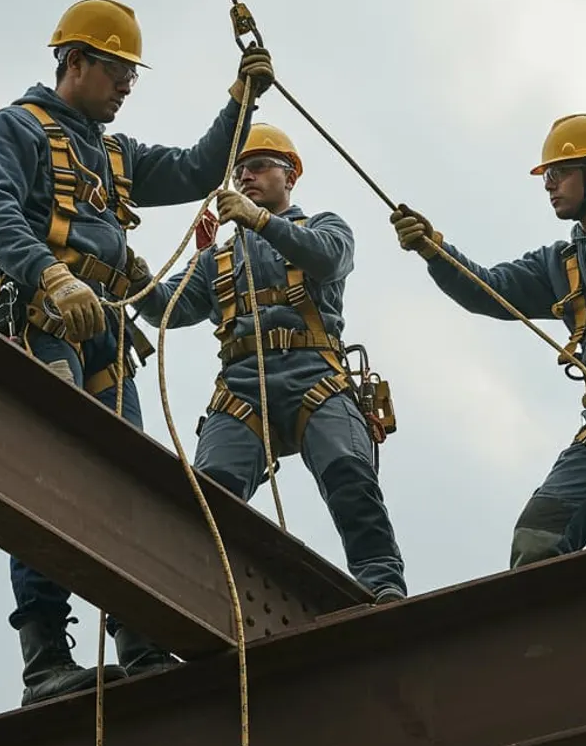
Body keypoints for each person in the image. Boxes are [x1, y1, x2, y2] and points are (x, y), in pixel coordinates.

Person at [0, 0, 273, 704]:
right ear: (76, 62)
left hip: (103, 329)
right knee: (54, 468)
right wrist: (47, 271)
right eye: (117, 71)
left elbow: (199, 169)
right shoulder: (14, 129)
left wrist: (241, 98)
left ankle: (137, 637)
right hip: (44, 314)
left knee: (124, 480)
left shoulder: (114, 154)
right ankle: (45, 656)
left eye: (132, 74)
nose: (127, 86)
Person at [392, 113, 586, 568]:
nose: (549, 185)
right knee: (537, 538)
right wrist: (434, 251)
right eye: (548, 176)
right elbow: (490, 289)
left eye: (559, 173)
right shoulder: (561, 262)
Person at [136, 123, 406, 603]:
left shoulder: (324, 227)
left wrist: (259, 221)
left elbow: (327, 259)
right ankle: (195, 598)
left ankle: (381, 582)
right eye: (241, 171)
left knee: (348, 470)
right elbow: (164, 307)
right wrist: (130, 272)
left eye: (259, 167)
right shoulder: (217, 260)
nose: (247, 177)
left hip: (316, 379)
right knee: (210, 493)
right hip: (243, 389)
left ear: (291, 176)